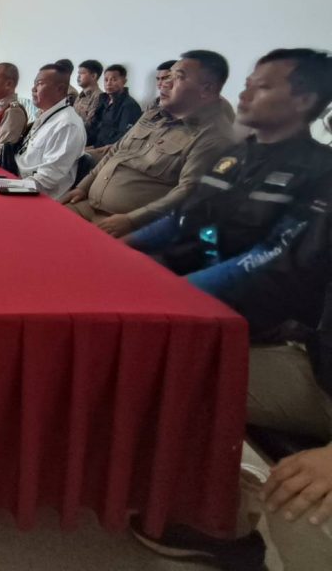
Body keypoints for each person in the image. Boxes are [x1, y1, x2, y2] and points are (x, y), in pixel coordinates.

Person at [127, 48, 332, 571]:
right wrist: (119, 251)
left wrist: (176, 294)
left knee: (178, 368)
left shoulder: (319, 173)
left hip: (282, 335)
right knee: (157, 354)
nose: (244, 92)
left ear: (304, 100)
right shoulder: (238, 156)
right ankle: (205, 497)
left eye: (262, 85)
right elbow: (185, 222)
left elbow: (275, 259)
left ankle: (224, 518)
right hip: (276, 337)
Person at [62, 50, 234, 237]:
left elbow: (188, 192)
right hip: (87, 204)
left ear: (206, 89)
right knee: (42, 224)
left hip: (123, 224)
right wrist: (83, 187)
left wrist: (131, 220)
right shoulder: (155, 112)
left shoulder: (213, 135)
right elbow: (116, 151)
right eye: (168, 76)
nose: (165, 83)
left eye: (178, 77)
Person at [13, 63, 87, 199]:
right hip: (16, 179)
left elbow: (47, 179)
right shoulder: (46, 115)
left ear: (60, 89)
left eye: (40, 84)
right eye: (34, 83)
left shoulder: (67, 125)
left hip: (35, 194)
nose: (33, 89)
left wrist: (10, 187)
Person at [87, 64, 142, 151]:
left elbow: (123, 136)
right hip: (93, 144)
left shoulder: (129, 105)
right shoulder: (103, 100)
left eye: (114, 79)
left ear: (124, 81)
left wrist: (93, 148)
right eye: (106, 80)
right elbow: (94, 126)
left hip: (108, 150)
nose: (108, 83)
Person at [73, 59, 104, 127]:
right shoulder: (80, 96)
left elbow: (90, 124)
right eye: (78, 73)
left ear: (93, 76)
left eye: (82, 73)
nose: (78, 76)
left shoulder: (99, 97)